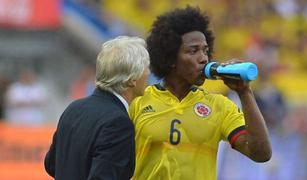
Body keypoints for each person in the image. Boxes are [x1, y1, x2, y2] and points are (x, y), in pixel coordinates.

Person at [129, 6, 272, 180]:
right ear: (170, 58)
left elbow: (261, 153)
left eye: (205, 50)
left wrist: (245, 92)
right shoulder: (138, 101)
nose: (204, 58)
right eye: (193, 50)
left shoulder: (220, 106)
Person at [44, 36, 150, 180]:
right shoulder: (118, 123)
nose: (148, 73)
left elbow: (51, 164)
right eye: (146, 68)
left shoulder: (74, 109)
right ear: (132, 80)